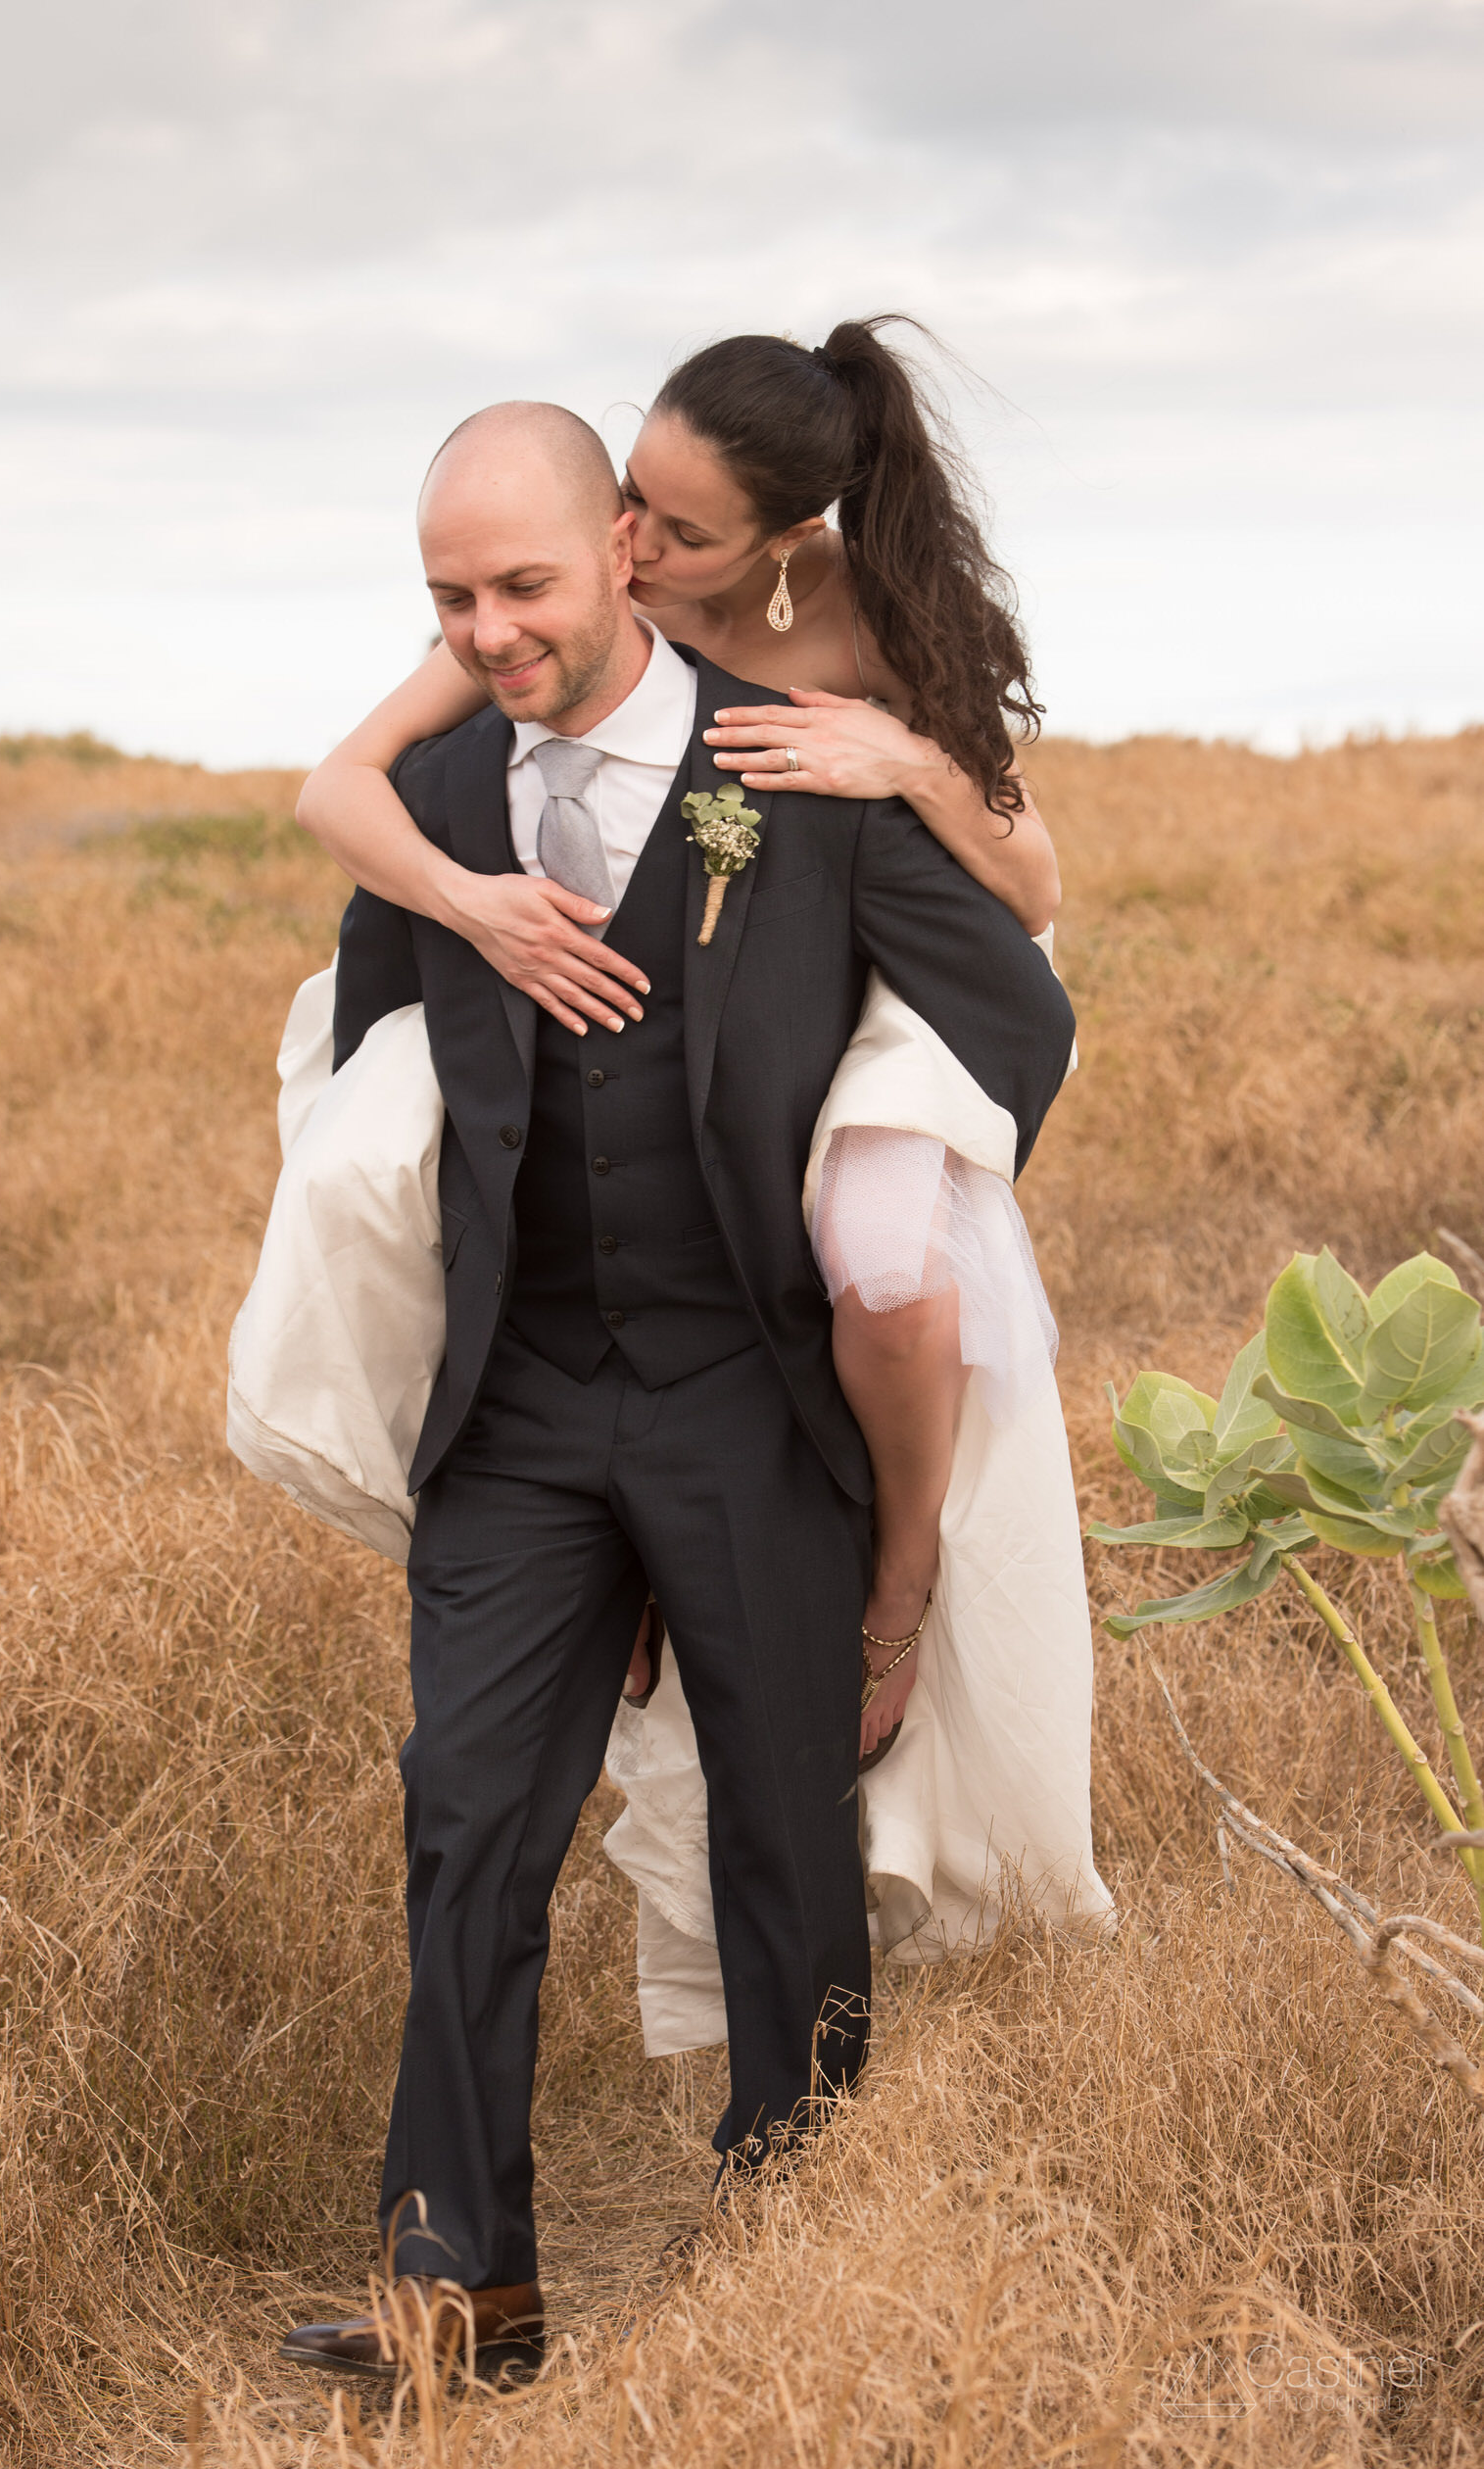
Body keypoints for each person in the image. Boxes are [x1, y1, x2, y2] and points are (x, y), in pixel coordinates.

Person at [275, 399, 1077, 2384]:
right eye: (448, 597)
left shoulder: (783, 771)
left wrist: (879, 1160)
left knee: (781, 1835)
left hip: (743, 1393)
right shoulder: (438, 796)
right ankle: (462, 2285)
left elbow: (1014, 1003)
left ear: (623, 554)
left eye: (520, 585)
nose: (486, 629)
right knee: (464, 1817)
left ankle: (790, 2246)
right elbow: (374, 1045)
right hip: (524, 1404)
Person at [297, 316, 1061, 1751]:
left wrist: (900, 759)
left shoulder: (880, 608)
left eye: (679, 533)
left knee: (885, 1263)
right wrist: (472, 906)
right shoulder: (569, 597)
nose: (631, 547)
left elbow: (1032, 887)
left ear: (783, 543)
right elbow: (339, 787)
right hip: (654, 962)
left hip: (885, 964)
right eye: (630, 497)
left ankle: (894, 1575)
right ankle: (627, 1526)